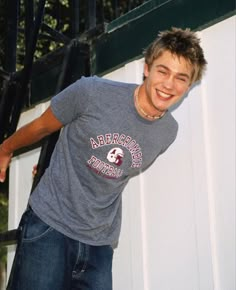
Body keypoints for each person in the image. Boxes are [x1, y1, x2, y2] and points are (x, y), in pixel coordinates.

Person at [0, 27, 207, 290]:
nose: (169, 85)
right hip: (50, 226)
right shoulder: (91, 92)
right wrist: (5, 149)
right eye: (163, 71)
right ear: (147, 68)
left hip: (99, 243)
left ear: (189, 85)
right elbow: (42, 127)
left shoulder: (168, 133)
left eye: (181, 78)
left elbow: (115, 172)